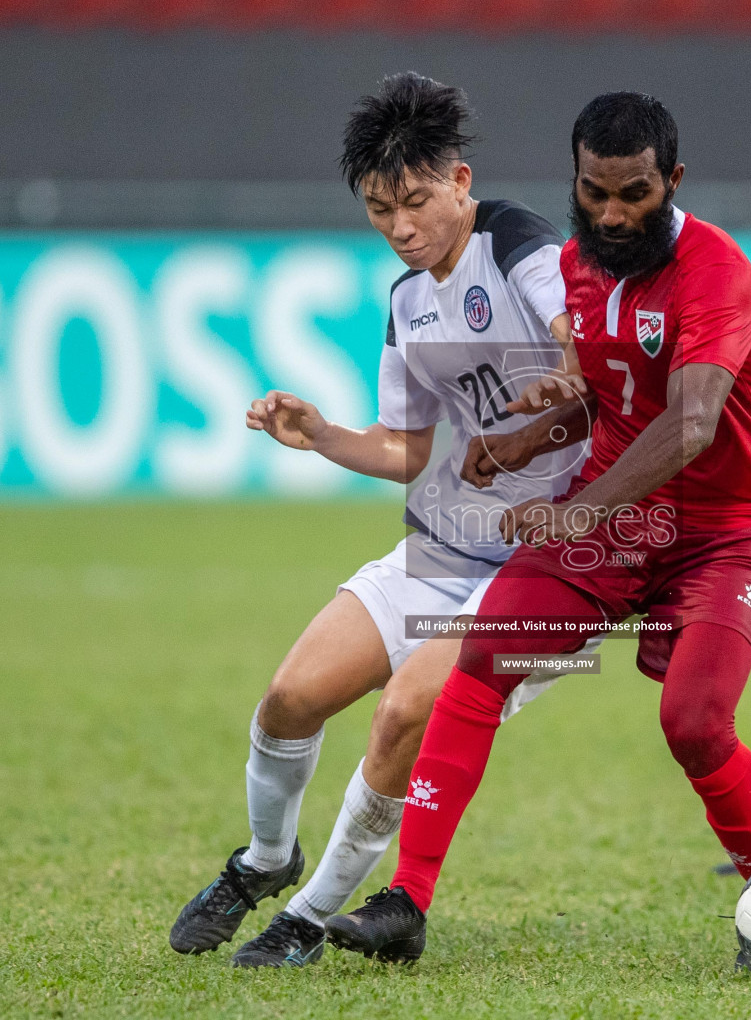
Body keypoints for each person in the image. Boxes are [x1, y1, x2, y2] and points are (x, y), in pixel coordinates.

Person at [321, 91, 751, 964]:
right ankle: (404, 905)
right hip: (614, 522)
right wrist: (520, 439)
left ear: (673, 181)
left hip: (725, 528)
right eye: (594, 194)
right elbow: (599, 397)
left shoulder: (717, 271)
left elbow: (689, 424)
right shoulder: (575, 268)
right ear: (574, 184)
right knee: (480, 661)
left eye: (635, 195)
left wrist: (577, 509)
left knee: (693, 722)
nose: (613, 215)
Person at [167, 72, 591, 968]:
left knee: (404, 712)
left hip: (553, 569)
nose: (400, 226)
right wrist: (320, 433)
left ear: (460, 183)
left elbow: (574, 331)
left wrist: (563, 371)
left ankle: (312, 917)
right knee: (289, 700)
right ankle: (263, 864)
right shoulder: (407, 301)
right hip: (452, 545)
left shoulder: (518, 242)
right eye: (377, 209)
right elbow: (403, 449)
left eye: (416, 201)